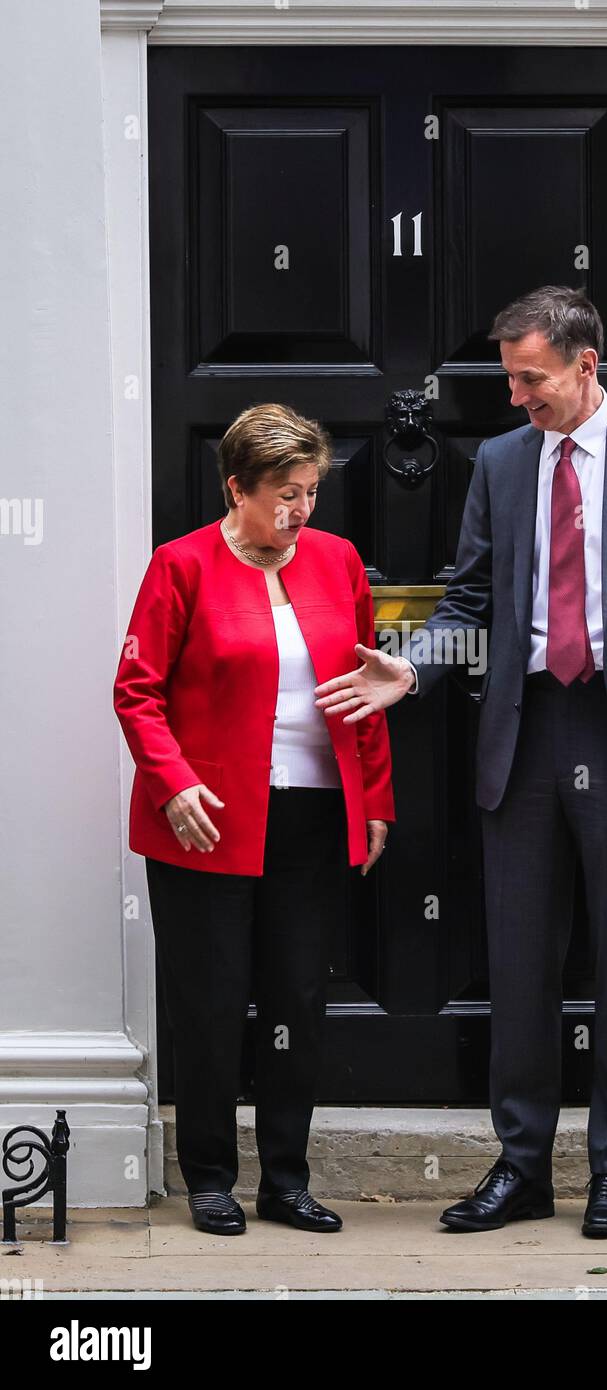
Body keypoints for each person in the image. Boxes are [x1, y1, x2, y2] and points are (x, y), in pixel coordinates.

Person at [314, 286, 607, 1239]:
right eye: (509, 378)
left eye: (530, 379)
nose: (515, 397)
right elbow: (468, 601)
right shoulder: (504, 464)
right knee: (517, 959)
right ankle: (520, 1168)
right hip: (524, 729)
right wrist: (413, 672)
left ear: (585, 365)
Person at [114, 403, 394, 1236]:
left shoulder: (338, 561)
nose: (299, 512)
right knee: (208, 999)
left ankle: (285, 1178)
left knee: (295, 1001)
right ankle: (207, 1174)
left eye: (309, 493)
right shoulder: (181, 565)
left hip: (312, 812)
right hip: (204, 819)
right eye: (283, 494)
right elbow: (138, 691)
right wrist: (171, 784)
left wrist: (374, 800)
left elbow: (366, 690)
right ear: (236, 487)